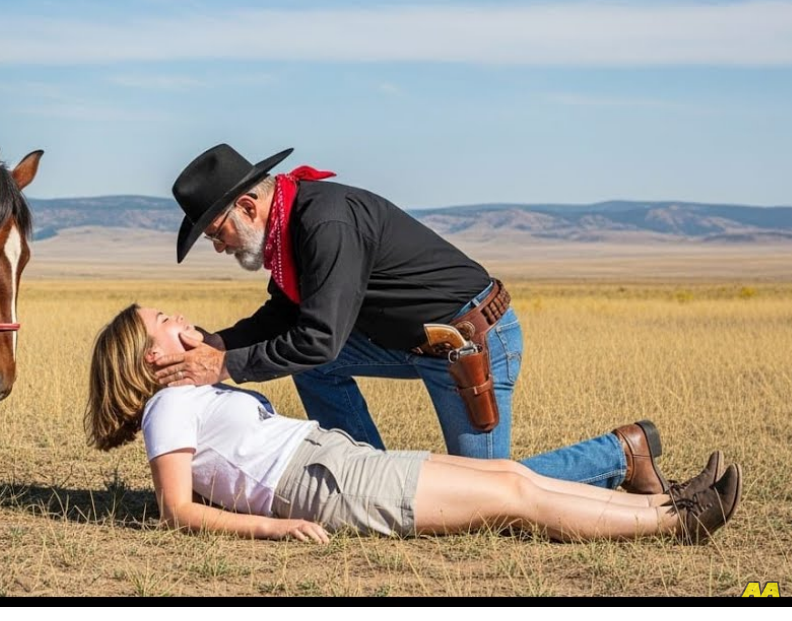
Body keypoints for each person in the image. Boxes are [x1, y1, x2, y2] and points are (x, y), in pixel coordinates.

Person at [150, 144, 668, 494]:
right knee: (308, 363)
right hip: (408, 341)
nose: (218, 247)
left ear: (247, 205)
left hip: (469, 347)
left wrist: (223, 365)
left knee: (482, 496)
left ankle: (621, 454)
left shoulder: (324, 222)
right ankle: (369, 476)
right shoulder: (291, 229)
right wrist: (216, 341)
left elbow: (320, 339)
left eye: (216, 232)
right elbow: (283, 315)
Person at [86, 303, 741, 546]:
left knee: (507, 473)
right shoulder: (167, 405)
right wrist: (274, 525)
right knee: (512, 498)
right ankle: (678, 522)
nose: (175, 316)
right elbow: (176, 508)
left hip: (331, 461)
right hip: (325, 484)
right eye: (161, 322)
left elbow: (210, 475)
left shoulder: (187, 398)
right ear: (150, 358)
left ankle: (667, 500)